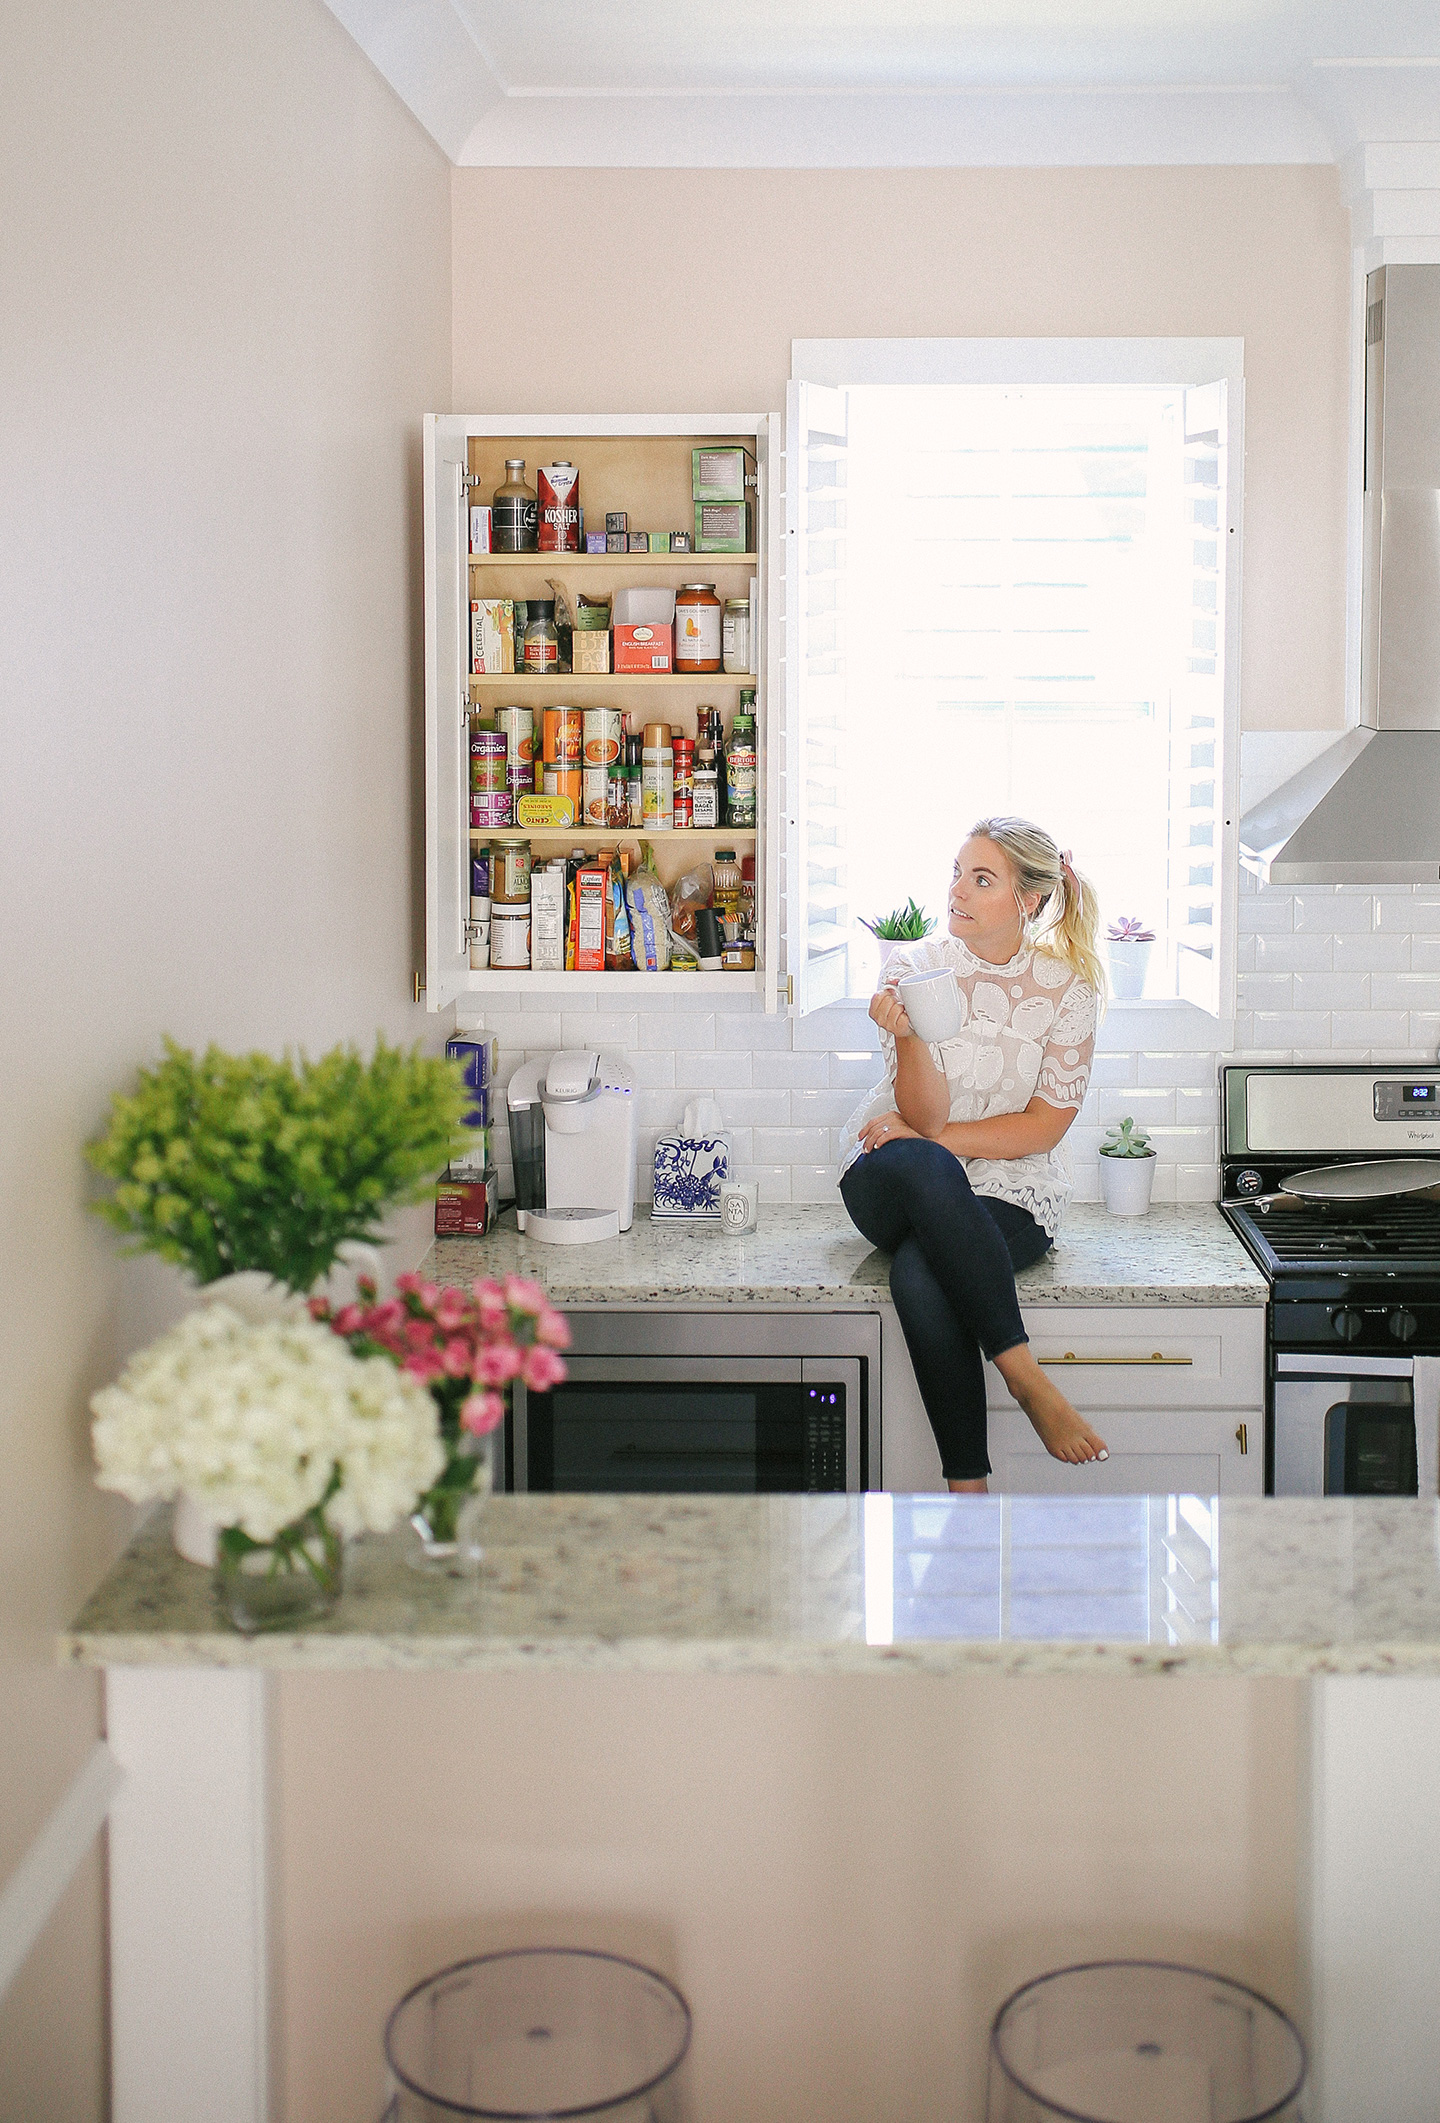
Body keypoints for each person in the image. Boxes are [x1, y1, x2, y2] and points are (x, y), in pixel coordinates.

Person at [839, 817, 1109, 1492]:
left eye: (981, 878)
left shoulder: (1067, 991)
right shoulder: (913, 967)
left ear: (1032, 900)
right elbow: (924, 1118)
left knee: (923, 1271)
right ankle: (1023, 1374)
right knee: (925, 1164)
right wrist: (906, 1039)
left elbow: (1043, 1126)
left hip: (1009, 1186)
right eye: (957, 871)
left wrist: (936, 1139)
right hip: (893, 1174)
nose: (957, 889)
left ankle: (969, 1491)